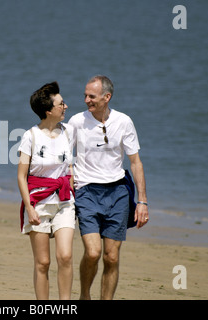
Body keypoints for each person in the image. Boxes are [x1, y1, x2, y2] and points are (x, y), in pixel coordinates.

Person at [68, 75, 149, 300]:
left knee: (111, 257)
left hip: (118, 193)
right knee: (93, 253)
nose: (86, 100)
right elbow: (64, 157)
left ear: (107, 97)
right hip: (86, 191)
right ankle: (85, 295)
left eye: (91, 96)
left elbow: (135, 162)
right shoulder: (77, 121)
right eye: (85, 95)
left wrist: (142, 201)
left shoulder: (123, 122)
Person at [17, 81, 75, 300]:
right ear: (49, 110)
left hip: (64, 202)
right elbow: (21, 177)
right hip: (38, 202)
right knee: (43, 262)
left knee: (66, 256)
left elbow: (69, 166)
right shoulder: (30, 136)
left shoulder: (68, 132)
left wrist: (72, 180)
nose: (66, 106)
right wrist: (30, 208)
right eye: (61, 104)